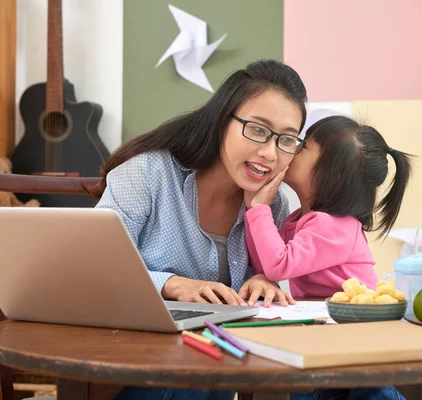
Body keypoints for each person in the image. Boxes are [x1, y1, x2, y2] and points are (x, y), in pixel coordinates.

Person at [89, 60, 404, 400]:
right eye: (257, 129)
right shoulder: (149, 175)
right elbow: (89, 266)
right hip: (136, 365)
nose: (269, 153)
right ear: (222, 120)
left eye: (286, 140)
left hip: (220, 373)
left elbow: (275, 271)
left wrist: (264, 282)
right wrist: (170, 284)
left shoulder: (272, 207)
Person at [245, 115, 413, 298]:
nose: (292, 150)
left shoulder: (335, 226)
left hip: (355, 320)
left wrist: (259, 209)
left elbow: (278, 267)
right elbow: (265, 264)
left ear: (333, 176)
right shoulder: (298, 219)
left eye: (303, 146)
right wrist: (252, 209)